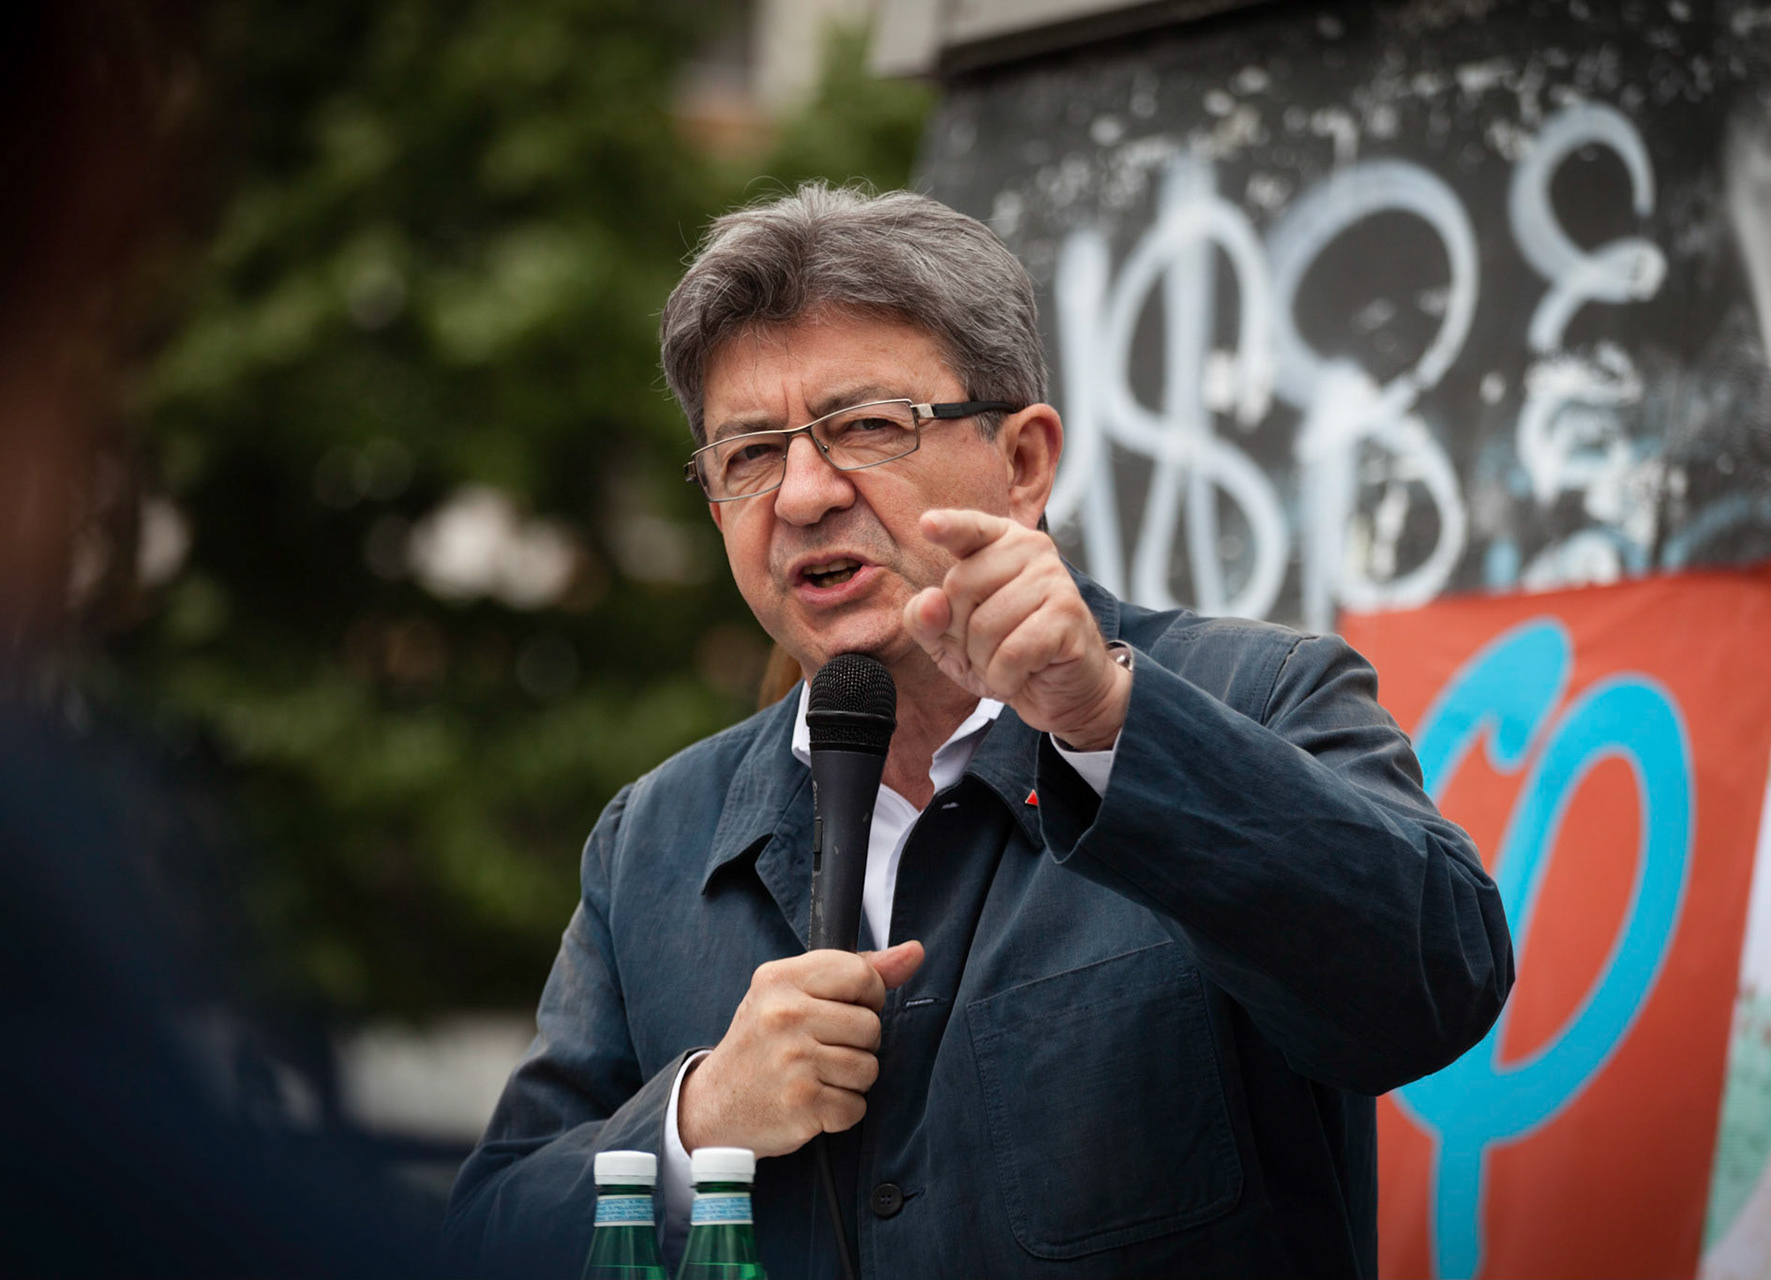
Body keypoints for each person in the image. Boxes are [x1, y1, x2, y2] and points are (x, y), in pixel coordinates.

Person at [443, 184, 1513, 1279]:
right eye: (750, 451)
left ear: (1025, 462)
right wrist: (699, 1115)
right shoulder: (656, 839)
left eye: (866, 425)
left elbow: (1433, 986)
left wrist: (1108, 723)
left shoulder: (1261, 695)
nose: (804, 493)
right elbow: (486, 1232)